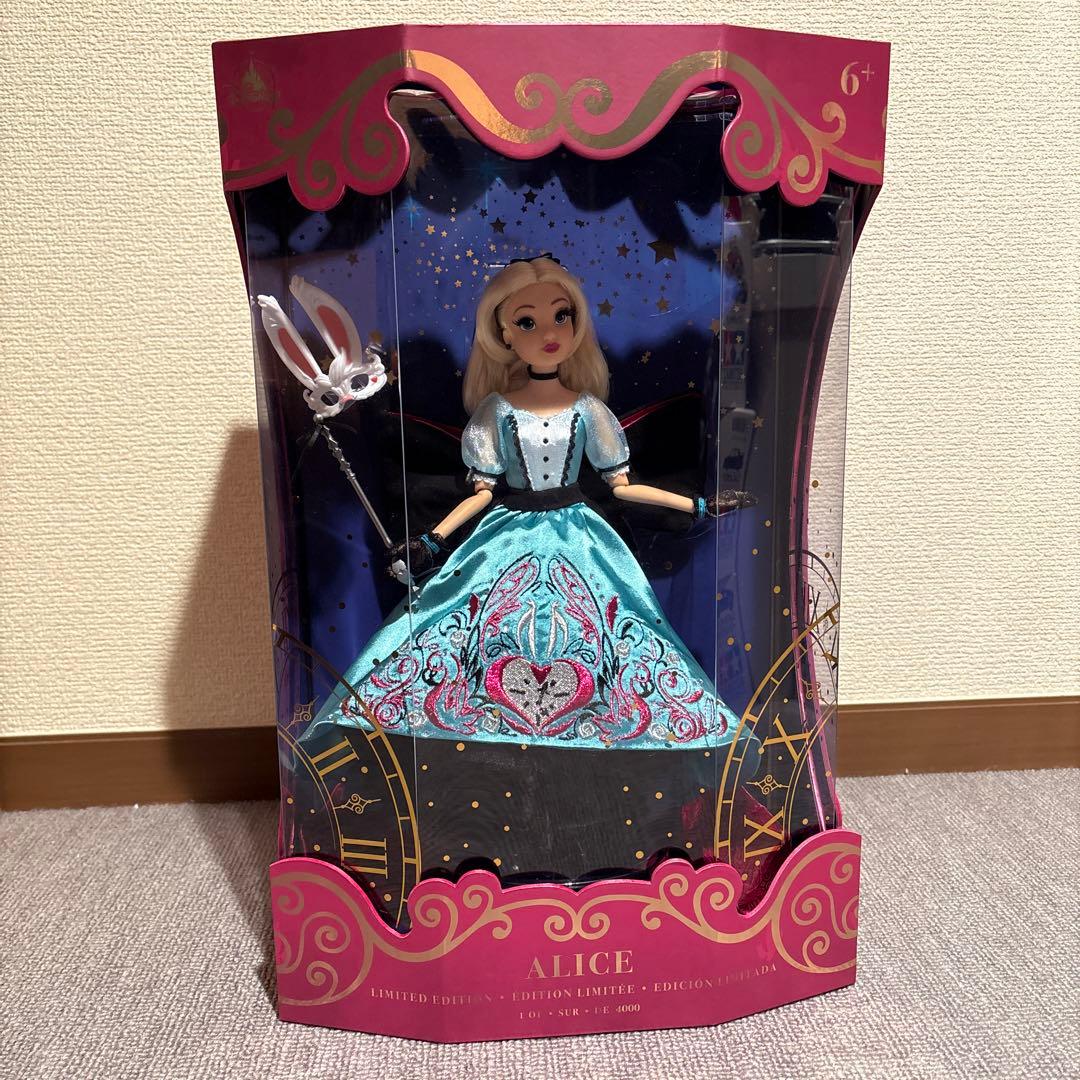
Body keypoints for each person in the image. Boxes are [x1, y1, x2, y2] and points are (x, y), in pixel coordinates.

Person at [305, 256, 754, 755]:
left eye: (562, 316)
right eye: (527, 322)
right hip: (506, 535)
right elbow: (482, 492)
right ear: (502, 334)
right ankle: (479, 720)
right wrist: (432, 540)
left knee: (612, 626)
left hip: (582, 537)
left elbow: (622, 486)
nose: (549, 332)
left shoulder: (588, 409)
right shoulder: (496, 410)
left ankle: (605, 721)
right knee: (466, 620)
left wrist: (698, 506)